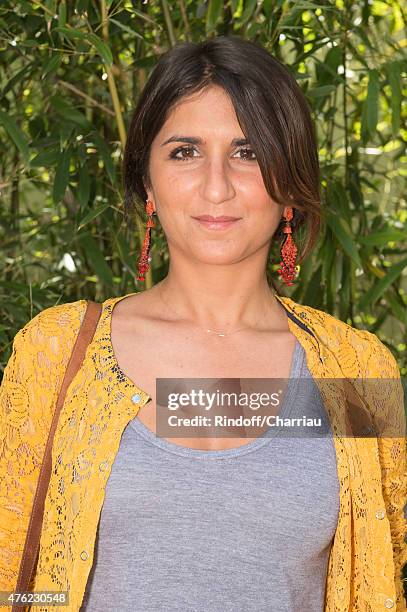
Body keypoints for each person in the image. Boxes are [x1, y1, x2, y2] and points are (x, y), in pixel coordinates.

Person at [0, 36, 405, 612]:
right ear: (147, 182)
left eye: (248, 153)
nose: (216, 187)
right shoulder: (55, 351)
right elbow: (10, 573)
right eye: (185, 152)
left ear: (290, 182)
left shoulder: (359, 371)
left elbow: (379, 583)